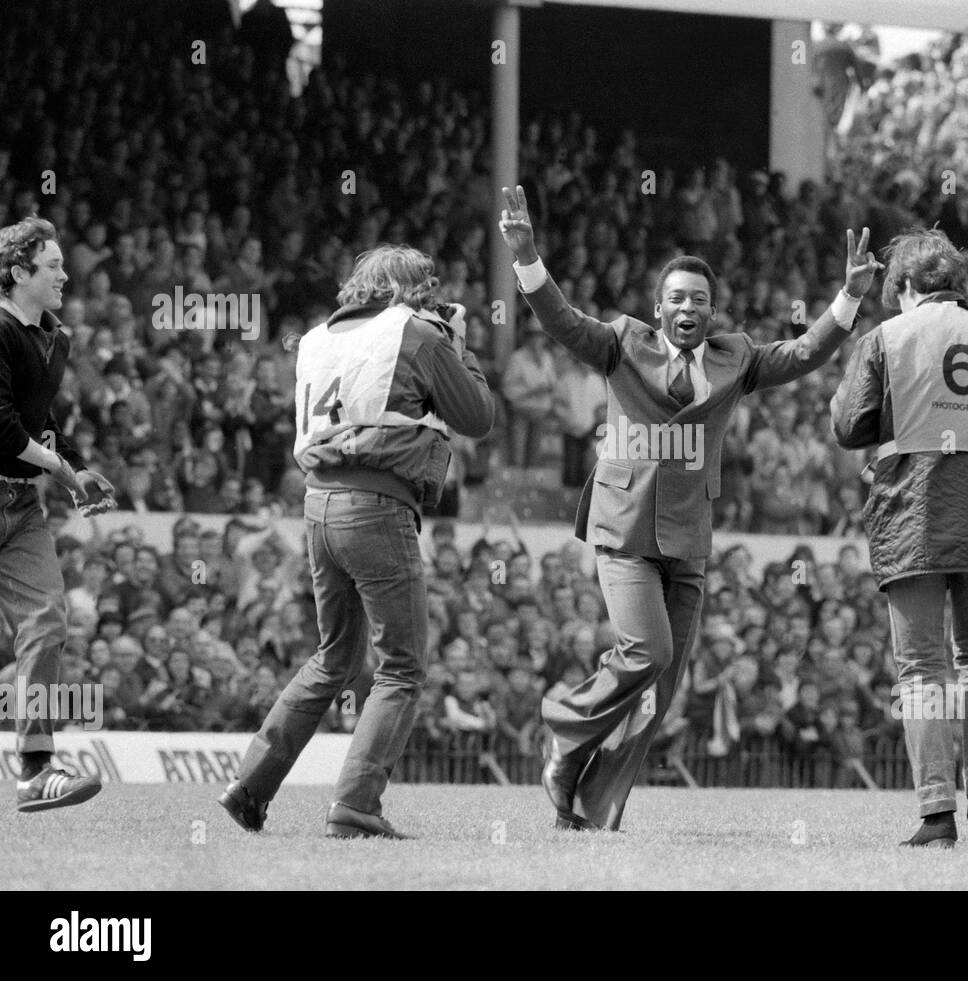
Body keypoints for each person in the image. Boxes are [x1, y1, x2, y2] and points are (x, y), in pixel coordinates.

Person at [499, 184, 880, 830]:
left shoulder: (736, 356)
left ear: (711, 310)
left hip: (690, 537)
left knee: (659, 691)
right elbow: (562, 320)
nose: (688, 307)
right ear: (658, 308)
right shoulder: (623, 342)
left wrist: (847, 299)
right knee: (644, 651)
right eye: (677, 297)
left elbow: (803, 353)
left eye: (698, 299)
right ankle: (564, 731)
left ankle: (590, 803)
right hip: (624, 525)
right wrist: (528, 257)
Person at [218, 244, 493, 838]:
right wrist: (460, 346)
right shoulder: (418, 335)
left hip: (317, 505)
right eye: (427, 287)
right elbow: (477, 417)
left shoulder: (318, 336)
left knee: (334, 657)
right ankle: (356, 804)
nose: (431, 295)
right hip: (377, 505)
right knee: (401, 667)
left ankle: (249, 785)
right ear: (410, 291)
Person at [830, 227, 968, 849]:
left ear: (903, 289)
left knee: (922, 667)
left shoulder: (887, 337)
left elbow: (848, 426)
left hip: (913, 510)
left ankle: (934, 814)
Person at [0, 217, 116, 812]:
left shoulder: (55, 337)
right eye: (52, 266)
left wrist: (76, 467)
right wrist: (63, 470)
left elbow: (37, 424)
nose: (66, 274)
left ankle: (36, 770)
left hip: (21, 505)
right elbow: (0, 427)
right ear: (19, 274)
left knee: (47, 623)